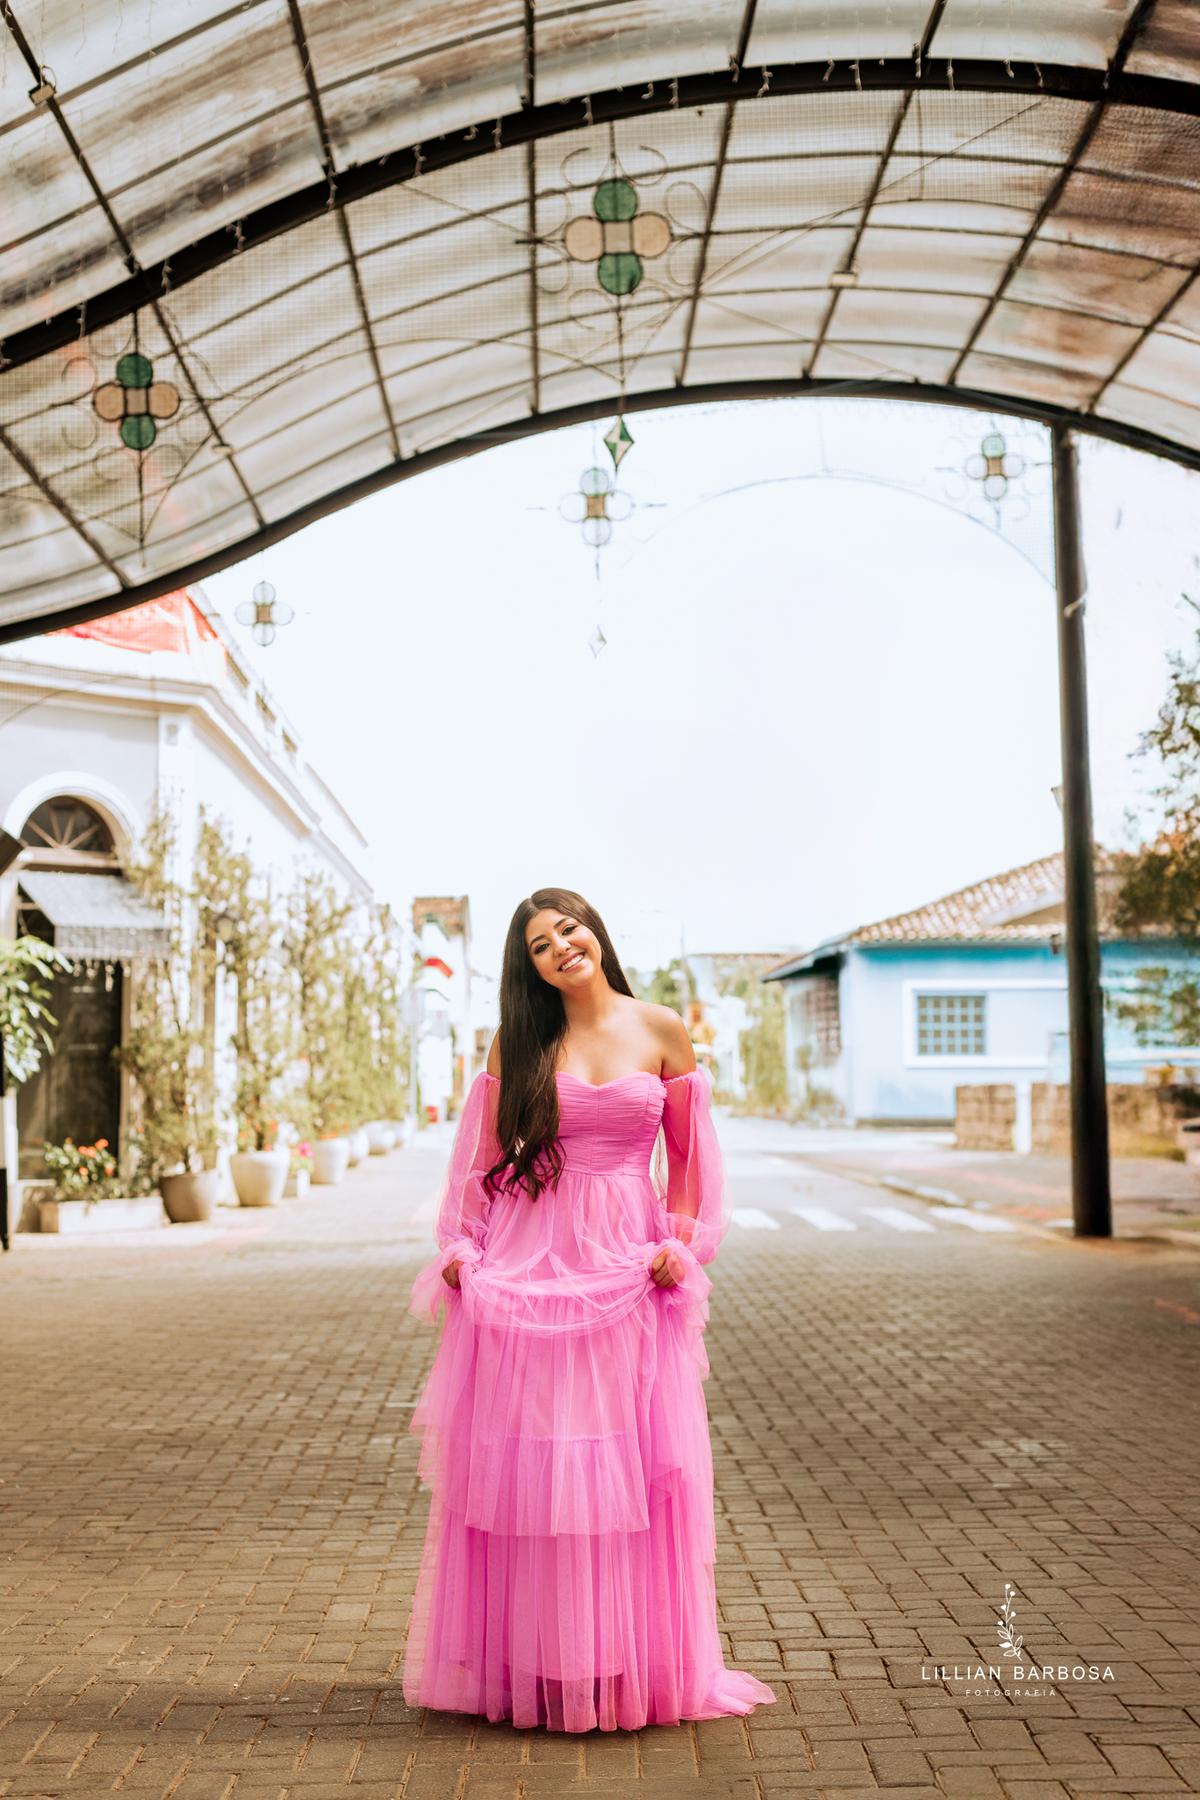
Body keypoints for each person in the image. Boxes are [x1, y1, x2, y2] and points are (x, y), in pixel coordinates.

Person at [403, 887, 776, 1734]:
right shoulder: (521, 1040)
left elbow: (688, 1161)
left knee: (624, 1462)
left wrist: (682, 1243)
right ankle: (537, 1664)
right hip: (531, 1263)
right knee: (539, 1460)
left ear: (594, 932)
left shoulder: (662, 1029)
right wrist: (462, 1246)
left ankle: (619, 1661)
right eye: (540, 945)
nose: (560, 948)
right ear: (529, 967)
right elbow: (480, 1161)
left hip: (628, 1268)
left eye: (568, 929)